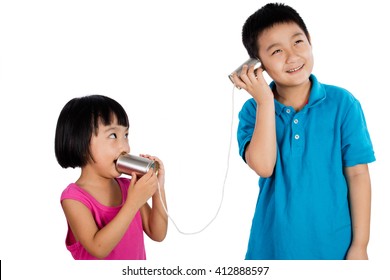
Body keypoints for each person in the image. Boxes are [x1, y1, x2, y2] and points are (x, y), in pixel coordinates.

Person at [231, 3, 375, 260]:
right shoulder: (252, 111)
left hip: (335, 249)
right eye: (276, 51)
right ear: (258, 65)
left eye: (298, 42)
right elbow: (264, 166)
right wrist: (265, 101)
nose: (292, 56)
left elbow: (358, 175)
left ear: (310, 41)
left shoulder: (343, 104)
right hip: (272, 249)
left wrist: (360, 246)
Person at [55, 95, 167, 260]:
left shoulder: (129, 187)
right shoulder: (74, 198)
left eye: (126, 135)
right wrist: (133, 202)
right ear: (81, 142)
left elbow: (157, 233)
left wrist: (158, 189)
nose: (125, 147)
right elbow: (98, 248)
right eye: (113, 135)